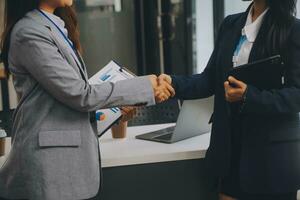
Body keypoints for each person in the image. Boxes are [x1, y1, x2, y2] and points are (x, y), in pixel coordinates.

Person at [0, 0, 175, 199]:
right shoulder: (29, 32)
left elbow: (59, 102)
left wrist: (111, 113)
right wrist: (146, 86)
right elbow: (79, 94)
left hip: (61, 165)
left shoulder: (53, 26)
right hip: (48, 167)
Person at [159, 0, 300, 199]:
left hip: (271, 161)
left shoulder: (293, 29)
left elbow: (296, 94)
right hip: (229, 152)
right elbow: (209, 79)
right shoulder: (231, 24)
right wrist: (173, 83)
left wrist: (248, 96)